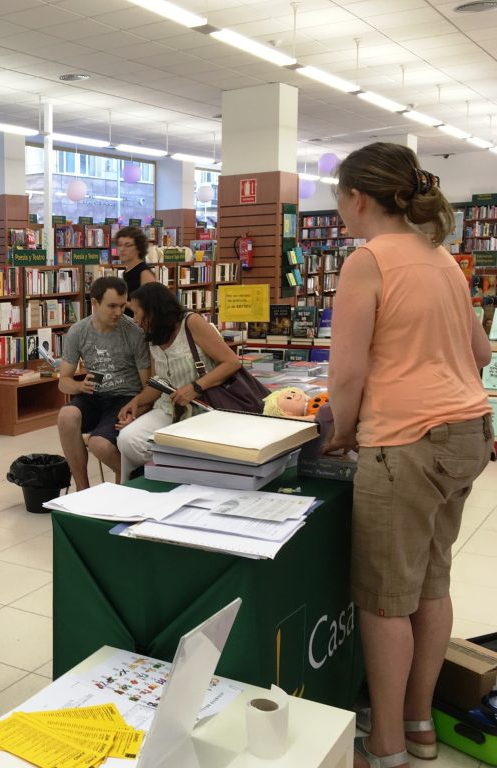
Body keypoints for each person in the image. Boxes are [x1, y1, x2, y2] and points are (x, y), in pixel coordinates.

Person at [323, 142, 493, 768]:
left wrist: (341, 431)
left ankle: (388, 743)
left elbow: (346, 375)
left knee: (385, 599)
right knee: (432, 583)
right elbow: (479, 354)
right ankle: (421, 724)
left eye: (339, 200)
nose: (340, 213)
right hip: (468, 433)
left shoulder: (367, 261)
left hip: (406, 442)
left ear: (358, 198)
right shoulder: (443, 258)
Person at [116, 283, 241, 479]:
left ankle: (168, 478)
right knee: (128, 440)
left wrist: (195, 387)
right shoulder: (153, 335)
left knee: (187, 447)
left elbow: (231, 362)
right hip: (169, 408)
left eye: (137, 312)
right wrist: (137, 402)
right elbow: (160, 383)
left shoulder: (191, 323)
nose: (136, 319)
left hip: (205, 407)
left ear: (153, 310)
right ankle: (144, 482)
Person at [57, 276, 150, 490]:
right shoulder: (78, 331)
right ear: (95, 303)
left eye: (122, 306)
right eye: (112, 306)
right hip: (94, 396)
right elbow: (64, 382)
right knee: (66, 415)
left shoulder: (133, 333)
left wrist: (138, 411)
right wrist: (80, 386)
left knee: (99, 444)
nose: (118, 312)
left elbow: (147, 387)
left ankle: (136, 483)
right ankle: (83, 490)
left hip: (126, 399)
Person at [115, 225, 156, 317]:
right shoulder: (127, 272)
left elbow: (151, 307)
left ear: (139, 248)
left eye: (128, 245)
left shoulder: (144, 273)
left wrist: (122, 303)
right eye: (120, 245)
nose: (122, 249)